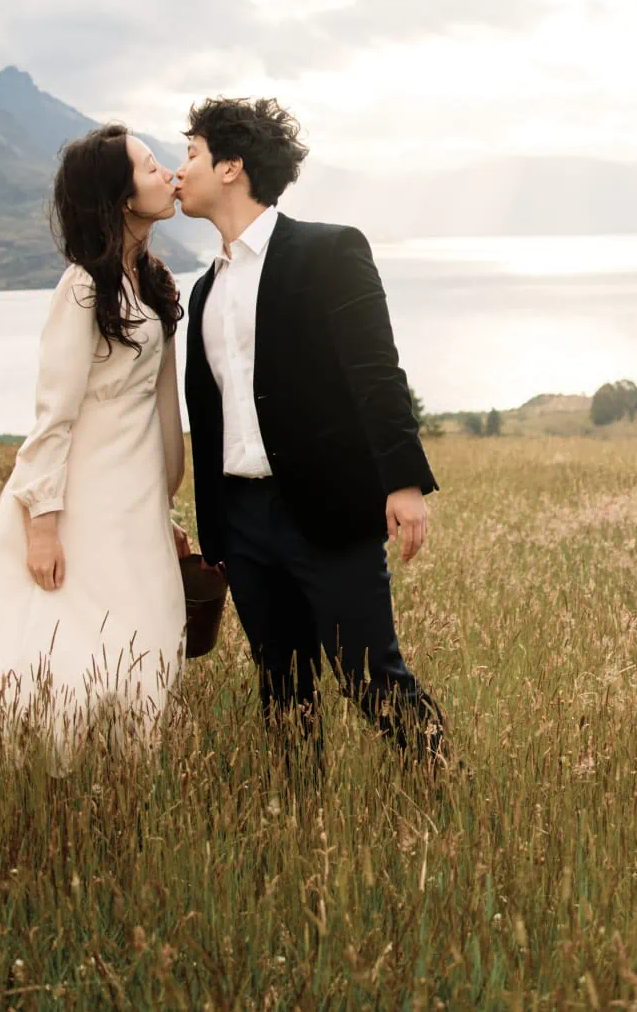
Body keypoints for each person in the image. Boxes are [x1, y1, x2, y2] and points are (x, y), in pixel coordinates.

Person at [175, 97, 448, 772]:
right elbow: (210, 416)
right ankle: (301, 822)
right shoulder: (205, 291)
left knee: (372, 678)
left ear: (232, 166)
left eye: (191, 154)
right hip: (242, 522)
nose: (179, 171)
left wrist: (404, 482)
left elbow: (376, 372)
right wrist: (215, 531)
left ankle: (448, 782)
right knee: (280, 690)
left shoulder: (330, 250)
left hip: (326, 512)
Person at [0, 124, 190, 767]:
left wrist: (165, 506)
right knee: (76, 633)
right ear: (122, 198)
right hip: (84, 496)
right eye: (151, 168)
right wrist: (42, 525)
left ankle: (129, 770)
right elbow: (54, 415)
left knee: (145, 620)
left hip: (135, 494)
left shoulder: (151, 281)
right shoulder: (84, 288)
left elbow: (160, 407)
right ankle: (60, 780)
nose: (168, 174)